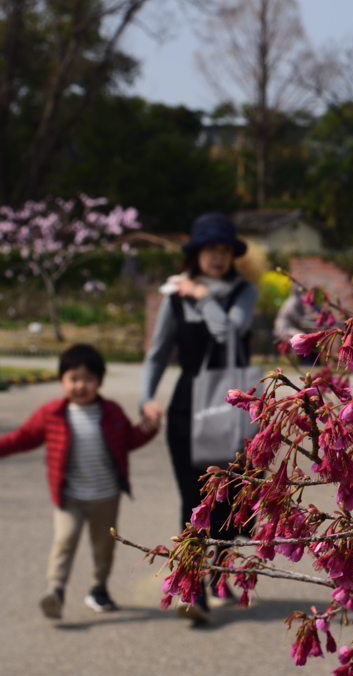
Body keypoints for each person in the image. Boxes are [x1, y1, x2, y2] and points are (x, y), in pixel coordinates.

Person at [139, 212, 259, 624]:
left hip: (233, 406)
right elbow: (157, 354)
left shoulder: (244, 292)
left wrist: (203, 296)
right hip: (186, 409)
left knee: (227, 499)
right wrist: (145, 398)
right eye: (210, 249)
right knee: (194, 501)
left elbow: (229, 332)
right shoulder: (175, 298)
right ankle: (194, 591)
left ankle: (220, 574)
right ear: (196, 253)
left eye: (225, 249)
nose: (218, 256)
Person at [0, 344, 158, 619]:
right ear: (62, 380)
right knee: (64, 541)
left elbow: (128, 440)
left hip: (106, 496)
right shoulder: (51, 413)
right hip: (69, 496)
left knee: (104, 547)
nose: (81, 385)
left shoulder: (112, 411)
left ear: (100, 381)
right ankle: (56, 591)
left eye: (88, 379)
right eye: (73, 378)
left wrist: (149, 426)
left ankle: (99, 588)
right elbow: (23, 437)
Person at [273, 284, 320, 365]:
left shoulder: (297, 302)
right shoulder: (292, 303)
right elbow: (299, 319)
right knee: (303, 337)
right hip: (284, 329)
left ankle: (311, 360)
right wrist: (312, 316)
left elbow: (302, 316)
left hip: (291, 327)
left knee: (308, 336)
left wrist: (311, 315)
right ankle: (305, 361)